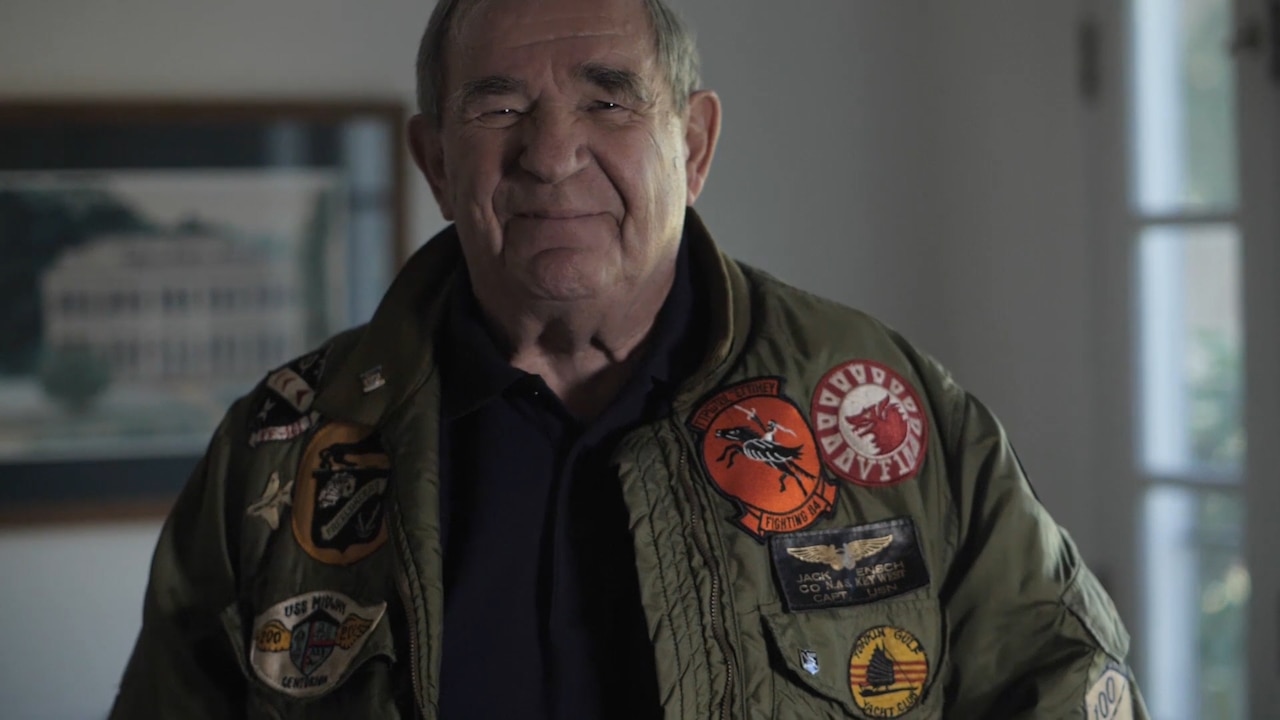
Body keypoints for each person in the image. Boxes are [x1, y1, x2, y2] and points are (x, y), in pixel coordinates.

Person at [110, 0, 1150, 717]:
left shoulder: (892, 415)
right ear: (434, 160)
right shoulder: (279, 452)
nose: (551, 153)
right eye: (498, 105)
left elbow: (1064, 687)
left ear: (691, 147)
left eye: (608, 98)